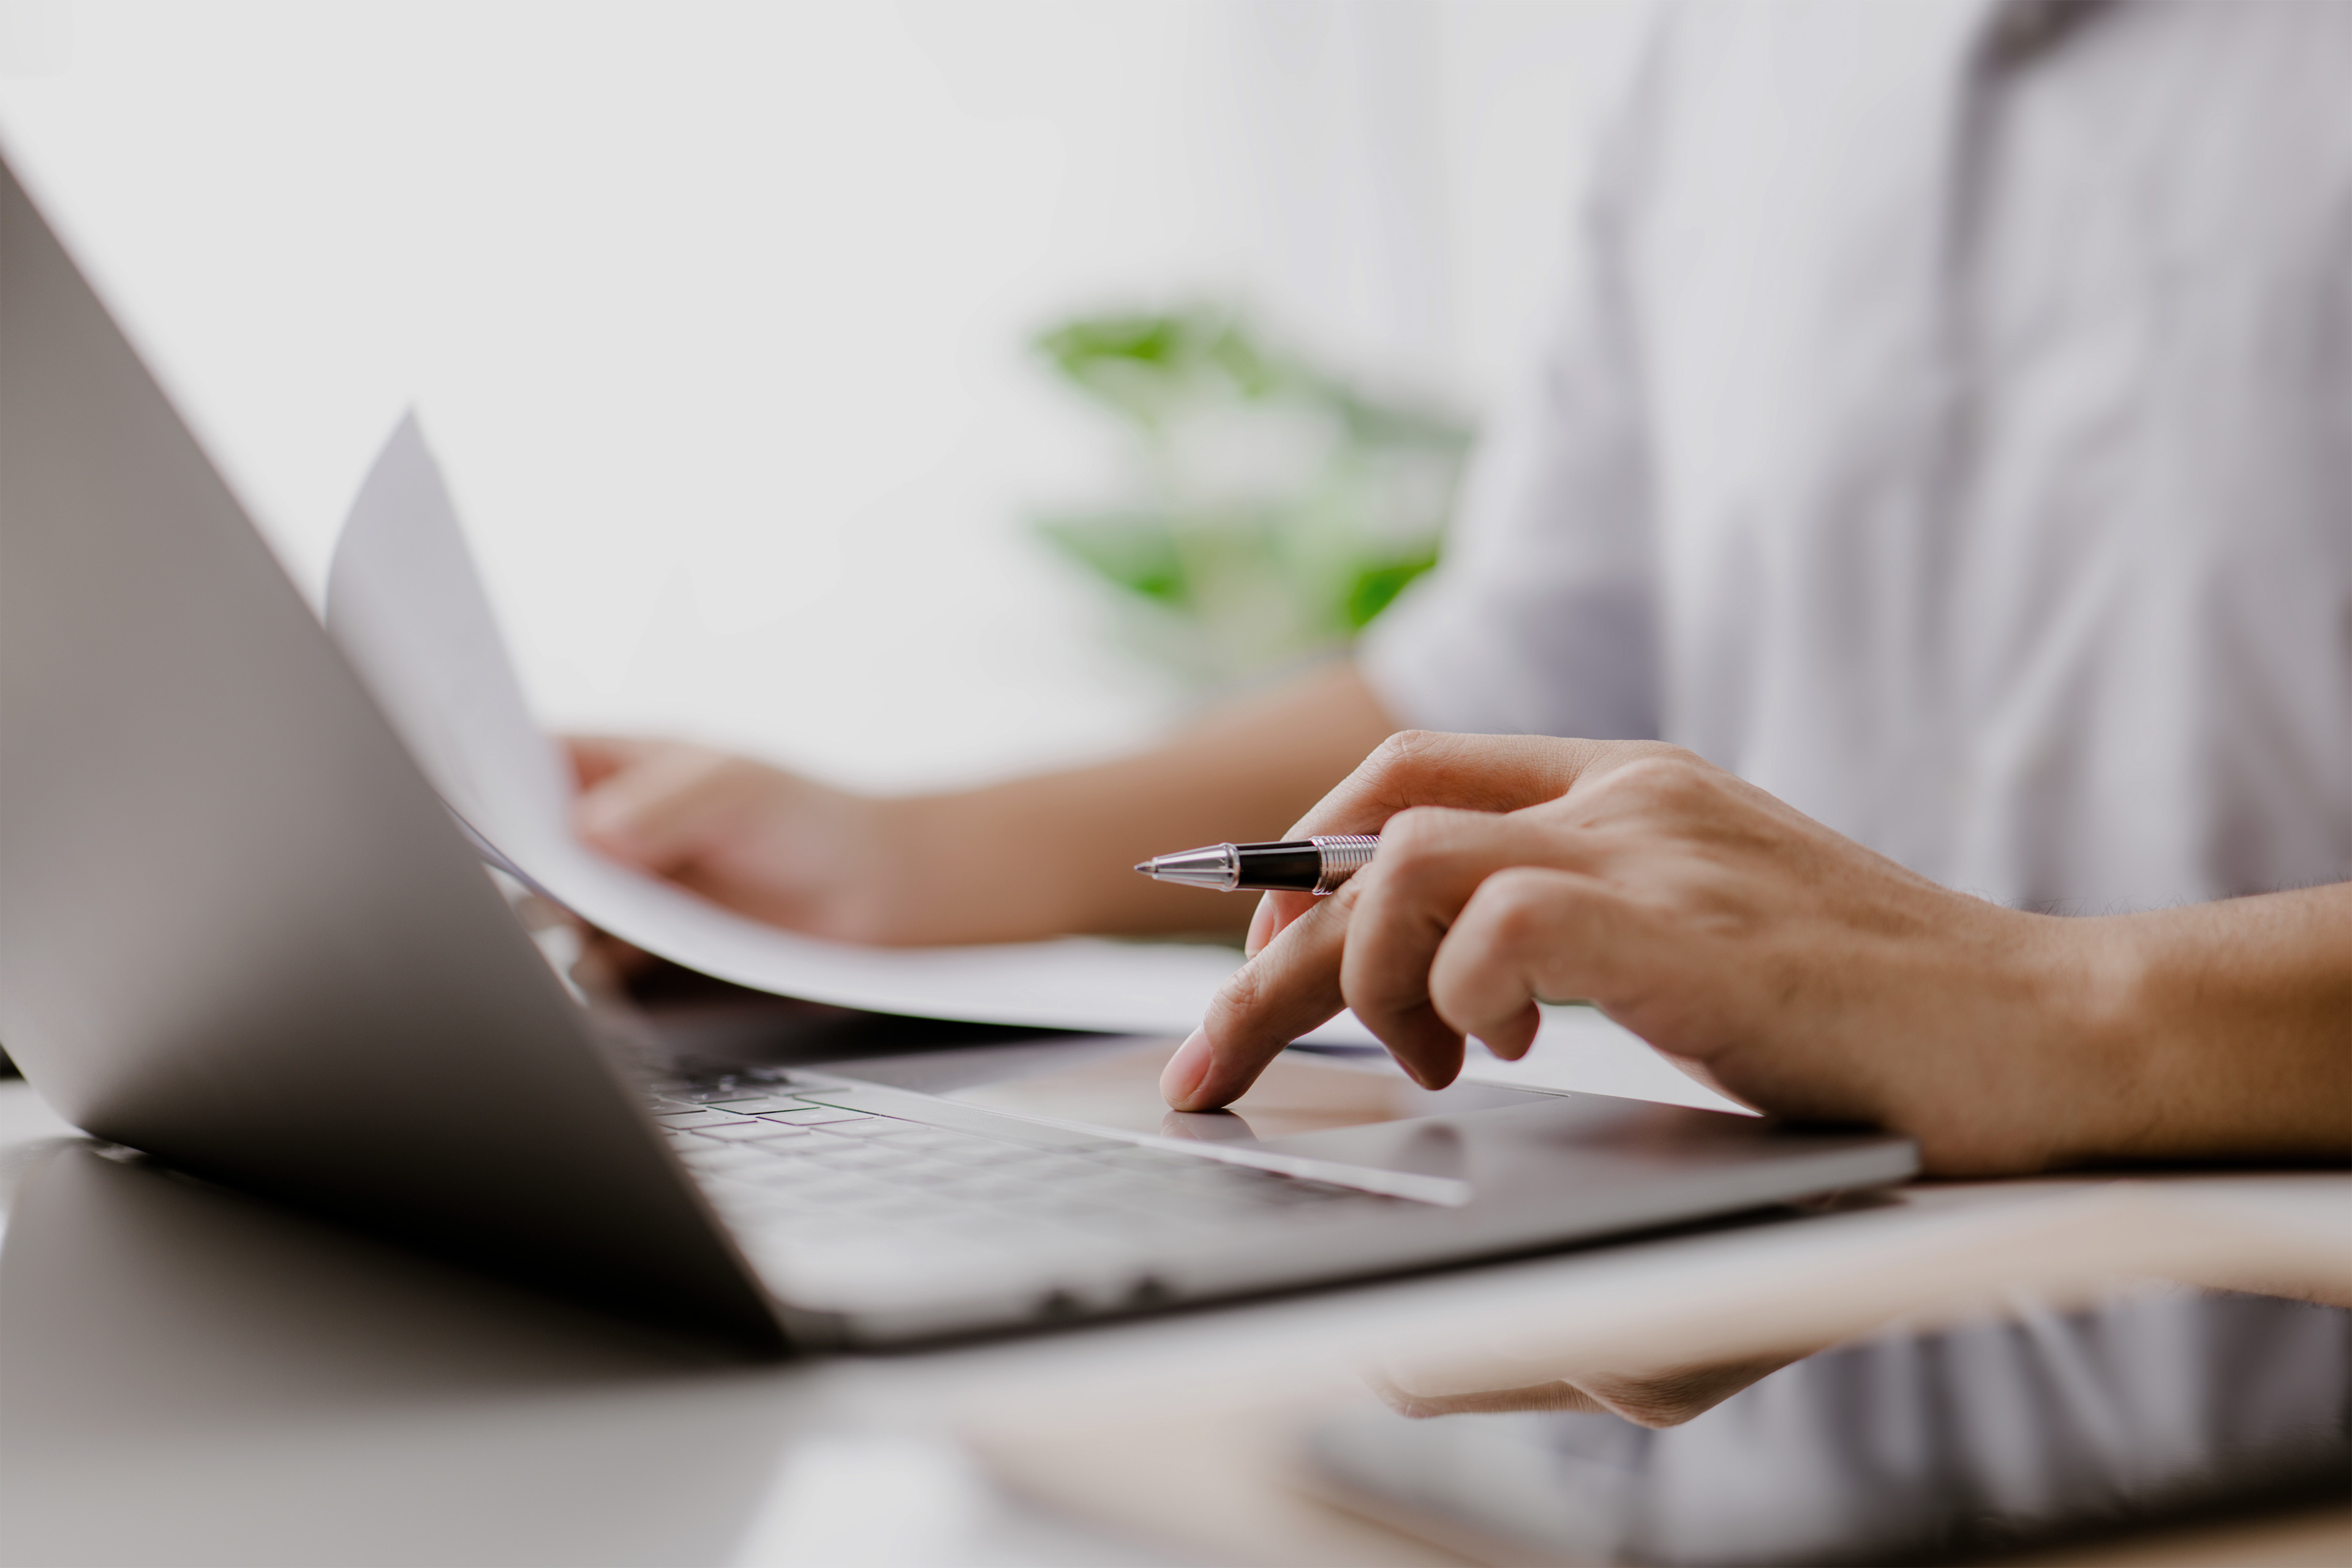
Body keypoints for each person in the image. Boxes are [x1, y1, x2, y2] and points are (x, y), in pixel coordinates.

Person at [567, 1, 2352, 1171]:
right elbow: (1518, 690)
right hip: (1836, 1325)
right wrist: (908, 865)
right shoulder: (1735, 53)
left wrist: (2051, 1009)